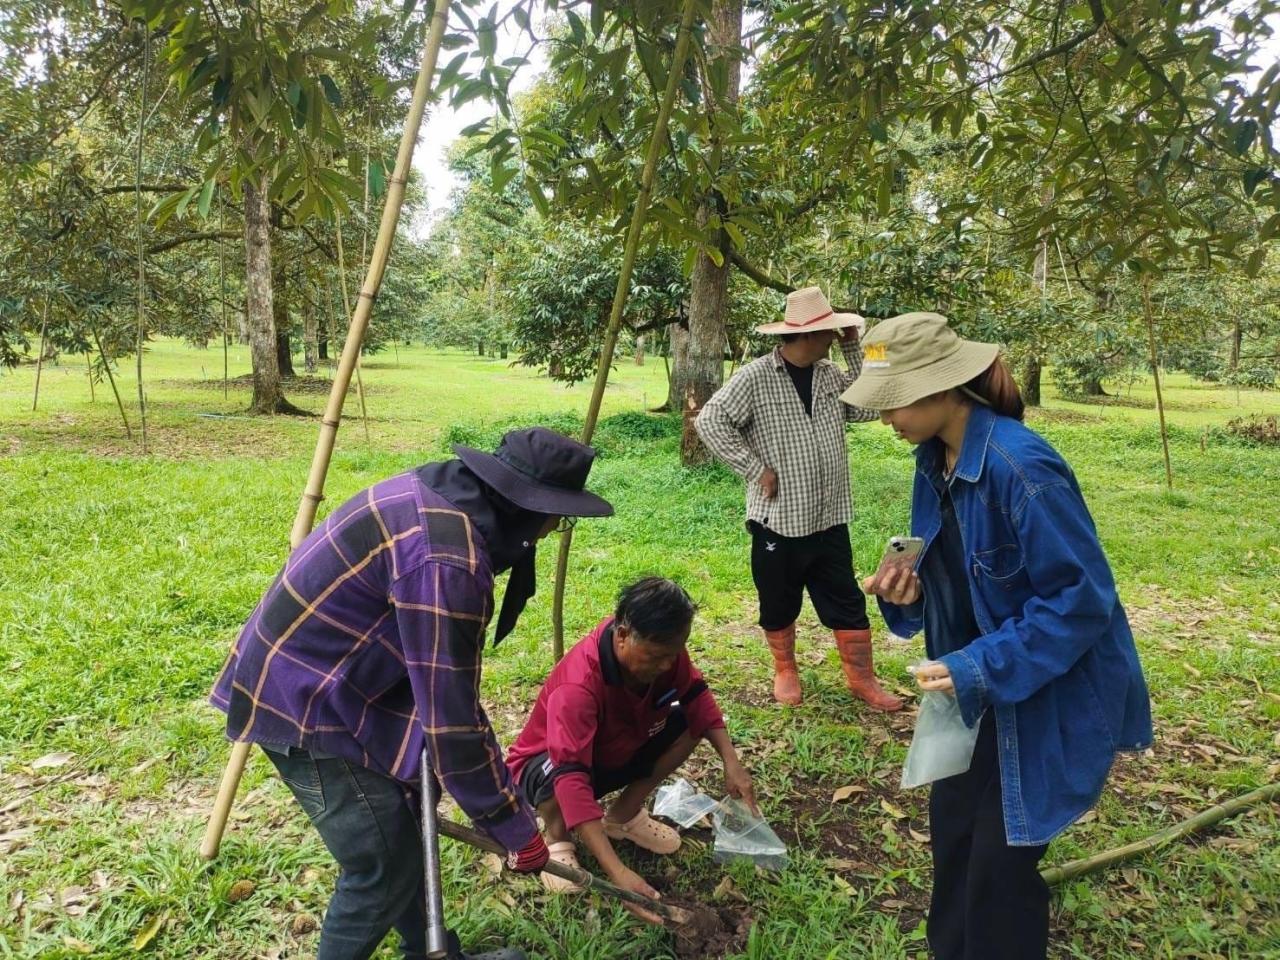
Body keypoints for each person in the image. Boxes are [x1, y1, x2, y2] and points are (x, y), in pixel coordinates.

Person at [210, 427, 614, 960]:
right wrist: (515, 827)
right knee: (384, 865)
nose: (554, 528)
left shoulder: (441, 492)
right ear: (528, 508)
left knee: (403, 833)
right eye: (556, 517)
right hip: (304, 697)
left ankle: (429, 953)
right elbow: (453, 724)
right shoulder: (448, 560)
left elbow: (435, 690)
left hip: (341, 672)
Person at [848, 313, 1153, 960]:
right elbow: (960, 578)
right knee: (954, 835)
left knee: (999, 868)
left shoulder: (1023, 468)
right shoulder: (932, 462)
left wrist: (979, 666)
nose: (886, 419)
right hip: (979, 692)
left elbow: (1081, 602)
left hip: (1043, 691)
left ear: (940, 389)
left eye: (892, 401)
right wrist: (913, 594)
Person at [695, 286, 902, 711]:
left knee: (846, 599)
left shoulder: (829, 374)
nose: (834, 337)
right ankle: (785, 669)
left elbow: (870, 404)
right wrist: (755, 470)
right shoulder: (754, 376)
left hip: (828, 515)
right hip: (779, 519)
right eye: (830, 331)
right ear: (806, 335)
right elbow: (710, 421)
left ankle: (862, 679)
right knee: (778, 600)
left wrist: (857, 348)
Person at [505, 577, 757, 923]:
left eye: (673, 654)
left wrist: (732, 763)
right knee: (558, 773)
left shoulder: (666, 652)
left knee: (687, 723)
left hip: (614, 749)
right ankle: (556, 837)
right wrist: (617, 872)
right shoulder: (578, 685)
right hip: (551, 765)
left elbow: (698, 698)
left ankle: (622, 816)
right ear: (622, 635)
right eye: (657, 657)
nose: (667, 666)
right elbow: (571, 775)